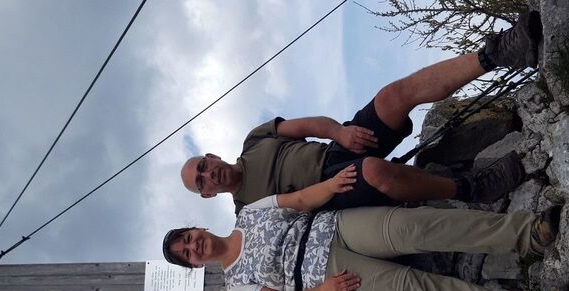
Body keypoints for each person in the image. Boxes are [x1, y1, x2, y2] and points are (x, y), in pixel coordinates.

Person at [161, 164, 569, 291]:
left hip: (335, 227)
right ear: (195, 265)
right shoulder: (236, 284)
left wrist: (331, 186)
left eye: (189, 238)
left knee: (417, 226)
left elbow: (297, 201)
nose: (194, 246)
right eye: (188, 254)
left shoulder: (248, 212)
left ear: (198, 228)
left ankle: (529, 233)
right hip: (327, 282)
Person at [180, 12, 543, 214]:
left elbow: (307, 126)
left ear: (211, 156)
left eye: (203, 166)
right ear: (207, 195)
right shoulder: (246, 209)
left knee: (391, 97)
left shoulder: (254, 140)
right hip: (332, 193)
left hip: (335, 150)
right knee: (373, 170)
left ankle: (497, 54)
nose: (208, 175)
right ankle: (471, 188)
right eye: (201, 182)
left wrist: (339, 133)